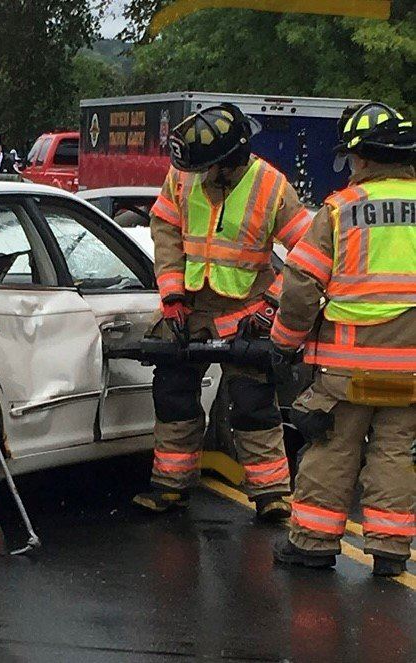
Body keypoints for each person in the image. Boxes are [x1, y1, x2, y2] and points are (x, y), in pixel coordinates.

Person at [133, 103, 311, 520]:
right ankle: (171, 487)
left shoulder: (270, 185)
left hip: (248, 310)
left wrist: (271, 306)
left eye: (209, 168)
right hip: (191, 309)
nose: (202, 176)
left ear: (231, 159)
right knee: (173, 391)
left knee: (252, 401)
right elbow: (166, 231)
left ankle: (271, 495)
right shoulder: (182, 175)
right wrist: (172, 298)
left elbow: (306, 253)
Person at [271, 103, 415, 577]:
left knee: (333, 449)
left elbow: (300, 283)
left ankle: (312, 544)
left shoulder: (338, 211)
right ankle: (391, 551)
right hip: (411, 369)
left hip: (346, 369)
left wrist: (286, 340)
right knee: (394, 454)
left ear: (365, 158)